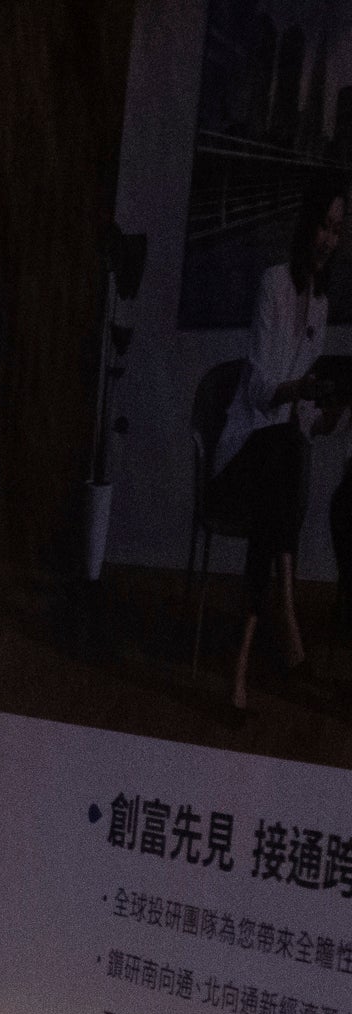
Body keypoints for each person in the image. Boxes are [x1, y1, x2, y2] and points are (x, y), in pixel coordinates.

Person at [223, 182, 345, 723]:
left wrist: (328, 416)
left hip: (276, 462)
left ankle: (241, 666)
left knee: (291, 450)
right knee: (280, 451)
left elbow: (300, 419)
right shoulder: (274, 283)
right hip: (239, 453)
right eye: (323, 226)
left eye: (338, 231)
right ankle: (289, 623)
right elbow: (255, 391)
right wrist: (296, 393)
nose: (329, 240)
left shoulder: (321, 303)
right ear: (306, 227)